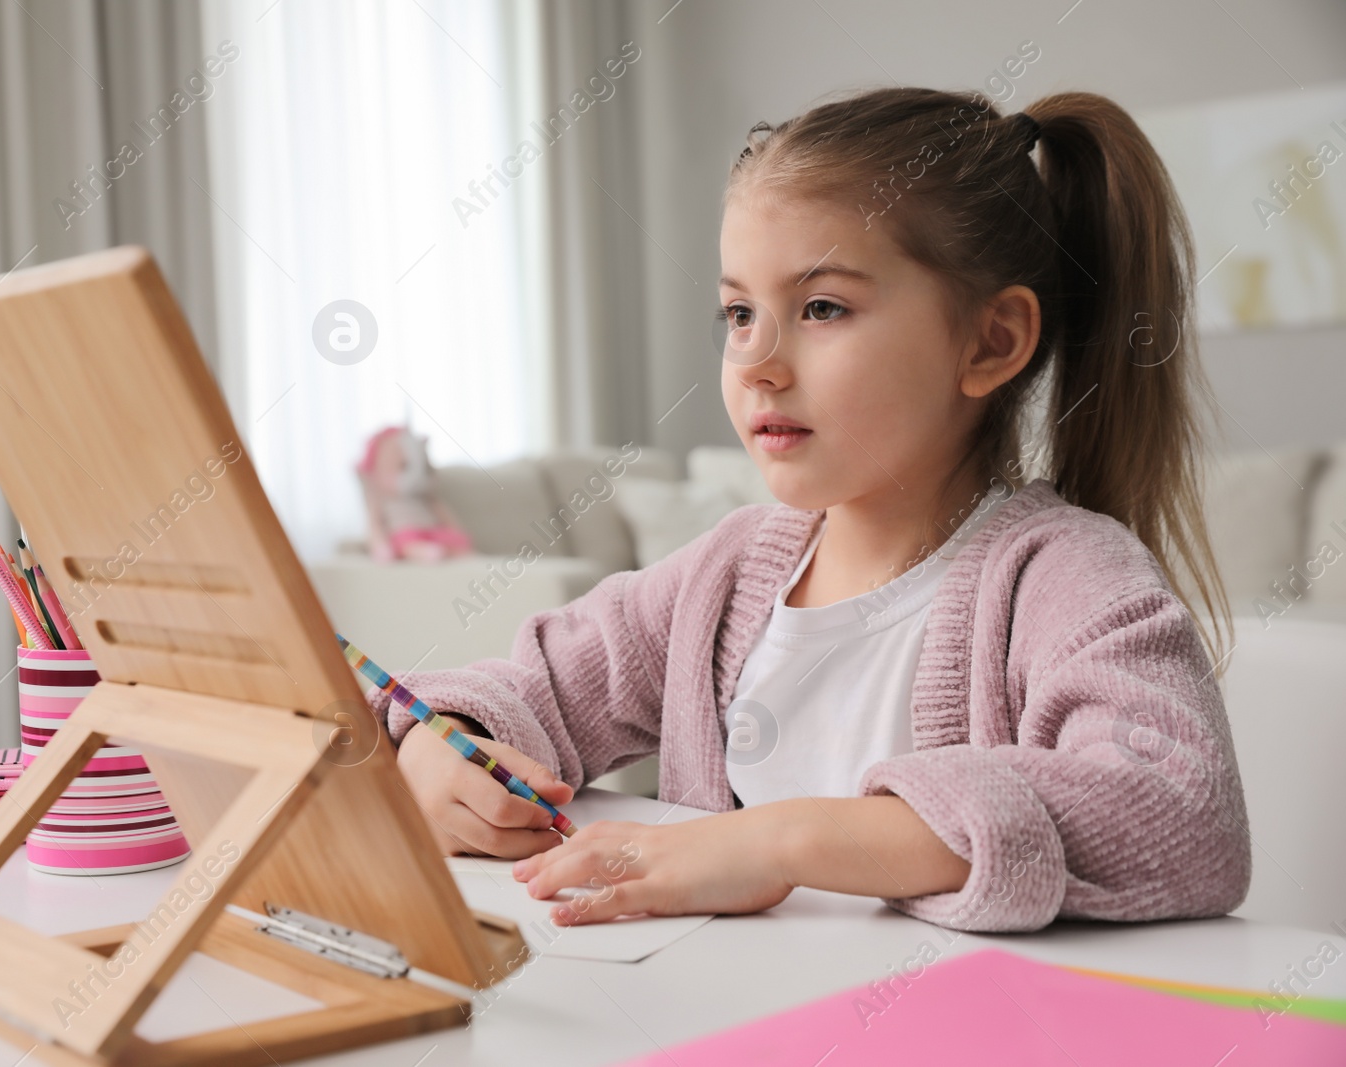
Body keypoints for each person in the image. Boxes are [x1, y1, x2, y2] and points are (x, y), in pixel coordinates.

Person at [370, 88, 1249, 933]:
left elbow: (1182, 816)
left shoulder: (1066, 575)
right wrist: (442, 746)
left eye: (822, 306)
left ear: (990, 342)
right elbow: (534, 689)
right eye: (739, 313)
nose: (756, 360)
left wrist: (779, 840)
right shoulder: (723, 576)